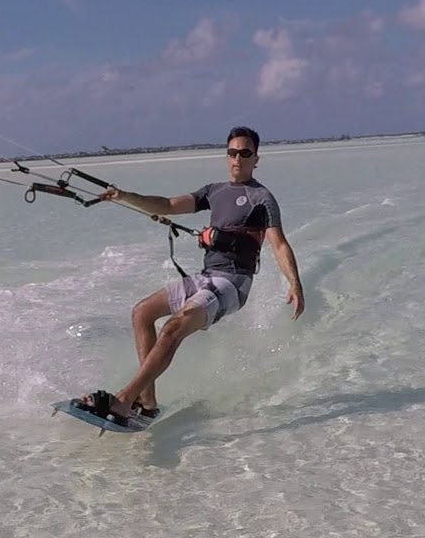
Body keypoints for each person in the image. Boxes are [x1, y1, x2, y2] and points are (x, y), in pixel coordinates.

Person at [73, 126, 304, 425]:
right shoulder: (214, 191)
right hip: (206, 276)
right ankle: (147, 403)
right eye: (232, 153)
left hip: (233, 283)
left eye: (245, 153)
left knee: (173, 327)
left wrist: (295, 283)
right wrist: (125, 196)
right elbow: (167, 205)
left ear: (256, 159)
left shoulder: (262, 198)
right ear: (226, 156)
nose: (237, 159)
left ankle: (123, 400)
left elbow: (279, 244)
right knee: (142, 313)